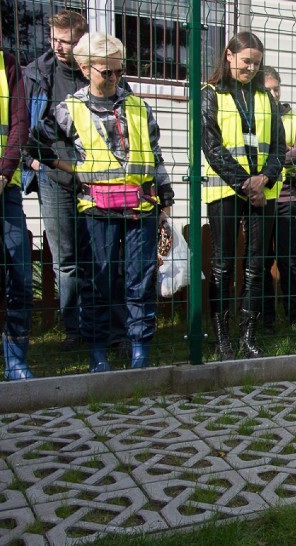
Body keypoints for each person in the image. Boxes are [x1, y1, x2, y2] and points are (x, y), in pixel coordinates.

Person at [29, 32, 174, 372]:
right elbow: (36, 146)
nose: (112, 79)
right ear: (84, 68)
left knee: (139, 280)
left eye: (118, 72)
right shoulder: (69, 109)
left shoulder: (138, 107)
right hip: (96, 210)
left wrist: (166, 199)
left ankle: (141, 351)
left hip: (141, 207)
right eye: (104, 72)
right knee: (99, 282)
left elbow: (155, 156)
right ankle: (98, 354)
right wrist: (73, 170)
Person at [23, 10, 131, 353]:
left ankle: (112, 329)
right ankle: (74, 329)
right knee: (66, 258)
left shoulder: (105, 74)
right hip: (54, 177)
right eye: (54, 38)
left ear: (82, 43)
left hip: (99, 181)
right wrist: (35, 162)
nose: (58, 46)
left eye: (66, 41)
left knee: (107, 257)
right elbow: (24, 123)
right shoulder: (37, 74)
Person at [201, 32, 286, 360]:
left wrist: (264, 179)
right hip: (225, 191)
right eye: (245, 61)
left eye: (256, 62)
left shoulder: (266, 98)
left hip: (263, 193)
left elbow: (279, 147)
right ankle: (222, 337)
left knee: (256, 266)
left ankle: (247, 336)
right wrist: (246, 184)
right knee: (223, 266)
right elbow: (213, 147)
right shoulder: (210, 94)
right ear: (229, 56)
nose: (250, 67)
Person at [260, 65, 296, 332]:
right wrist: (282, 152)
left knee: (291, 261)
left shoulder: (291, 117)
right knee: (262, 262)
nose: (273, 94)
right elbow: (251, 154)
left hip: (287, 199)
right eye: (268, 90)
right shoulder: (252, 118)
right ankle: (266, 320)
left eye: (276, 89)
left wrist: (271, 156)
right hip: (259, 201)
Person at [0, 48, 32, 380]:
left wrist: (3, 172)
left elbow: (19, 124)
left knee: (20, 275)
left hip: (5, 189)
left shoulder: (7, 64)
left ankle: (15, 359)